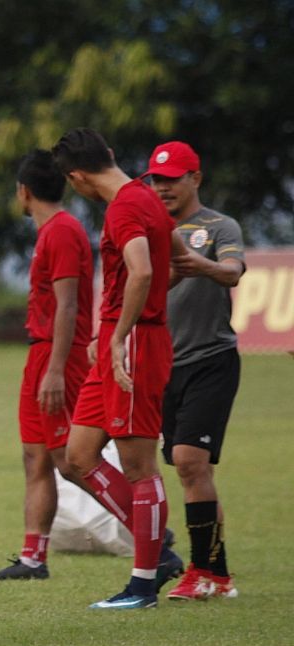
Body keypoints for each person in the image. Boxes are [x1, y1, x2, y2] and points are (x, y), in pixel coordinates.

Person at [51, 128, 183, 610]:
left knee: (140, 466)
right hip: (115, 341)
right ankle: (157, 548)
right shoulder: (145, 198)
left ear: (78, 176)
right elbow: (177, 259)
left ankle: (143, 584)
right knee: (79, 455)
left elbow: (144, 269)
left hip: (134, 345)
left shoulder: (126, 207)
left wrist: (122, 334)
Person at [0, 149, 94, 581]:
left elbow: (67, 307)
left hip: (57, 355)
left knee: (71, 460)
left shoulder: (63, 231)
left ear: (23, 191)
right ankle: (33, 558)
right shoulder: (51, 231)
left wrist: (55, 369)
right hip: (41, 353)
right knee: (35, 457)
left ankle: (152, 537)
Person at [144, 141, 245, 600]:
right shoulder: (149, 230)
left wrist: (194, 264)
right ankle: (217, 575)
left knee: (189, 461)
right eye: (157, 179)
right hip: (166, 364)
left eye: (172, 178)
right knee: (190, 471)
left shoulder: (219, 226)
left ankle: (199, 573)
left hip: (212, 359)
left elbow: (232, 272)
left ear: (195, 179)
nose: (163, 187)